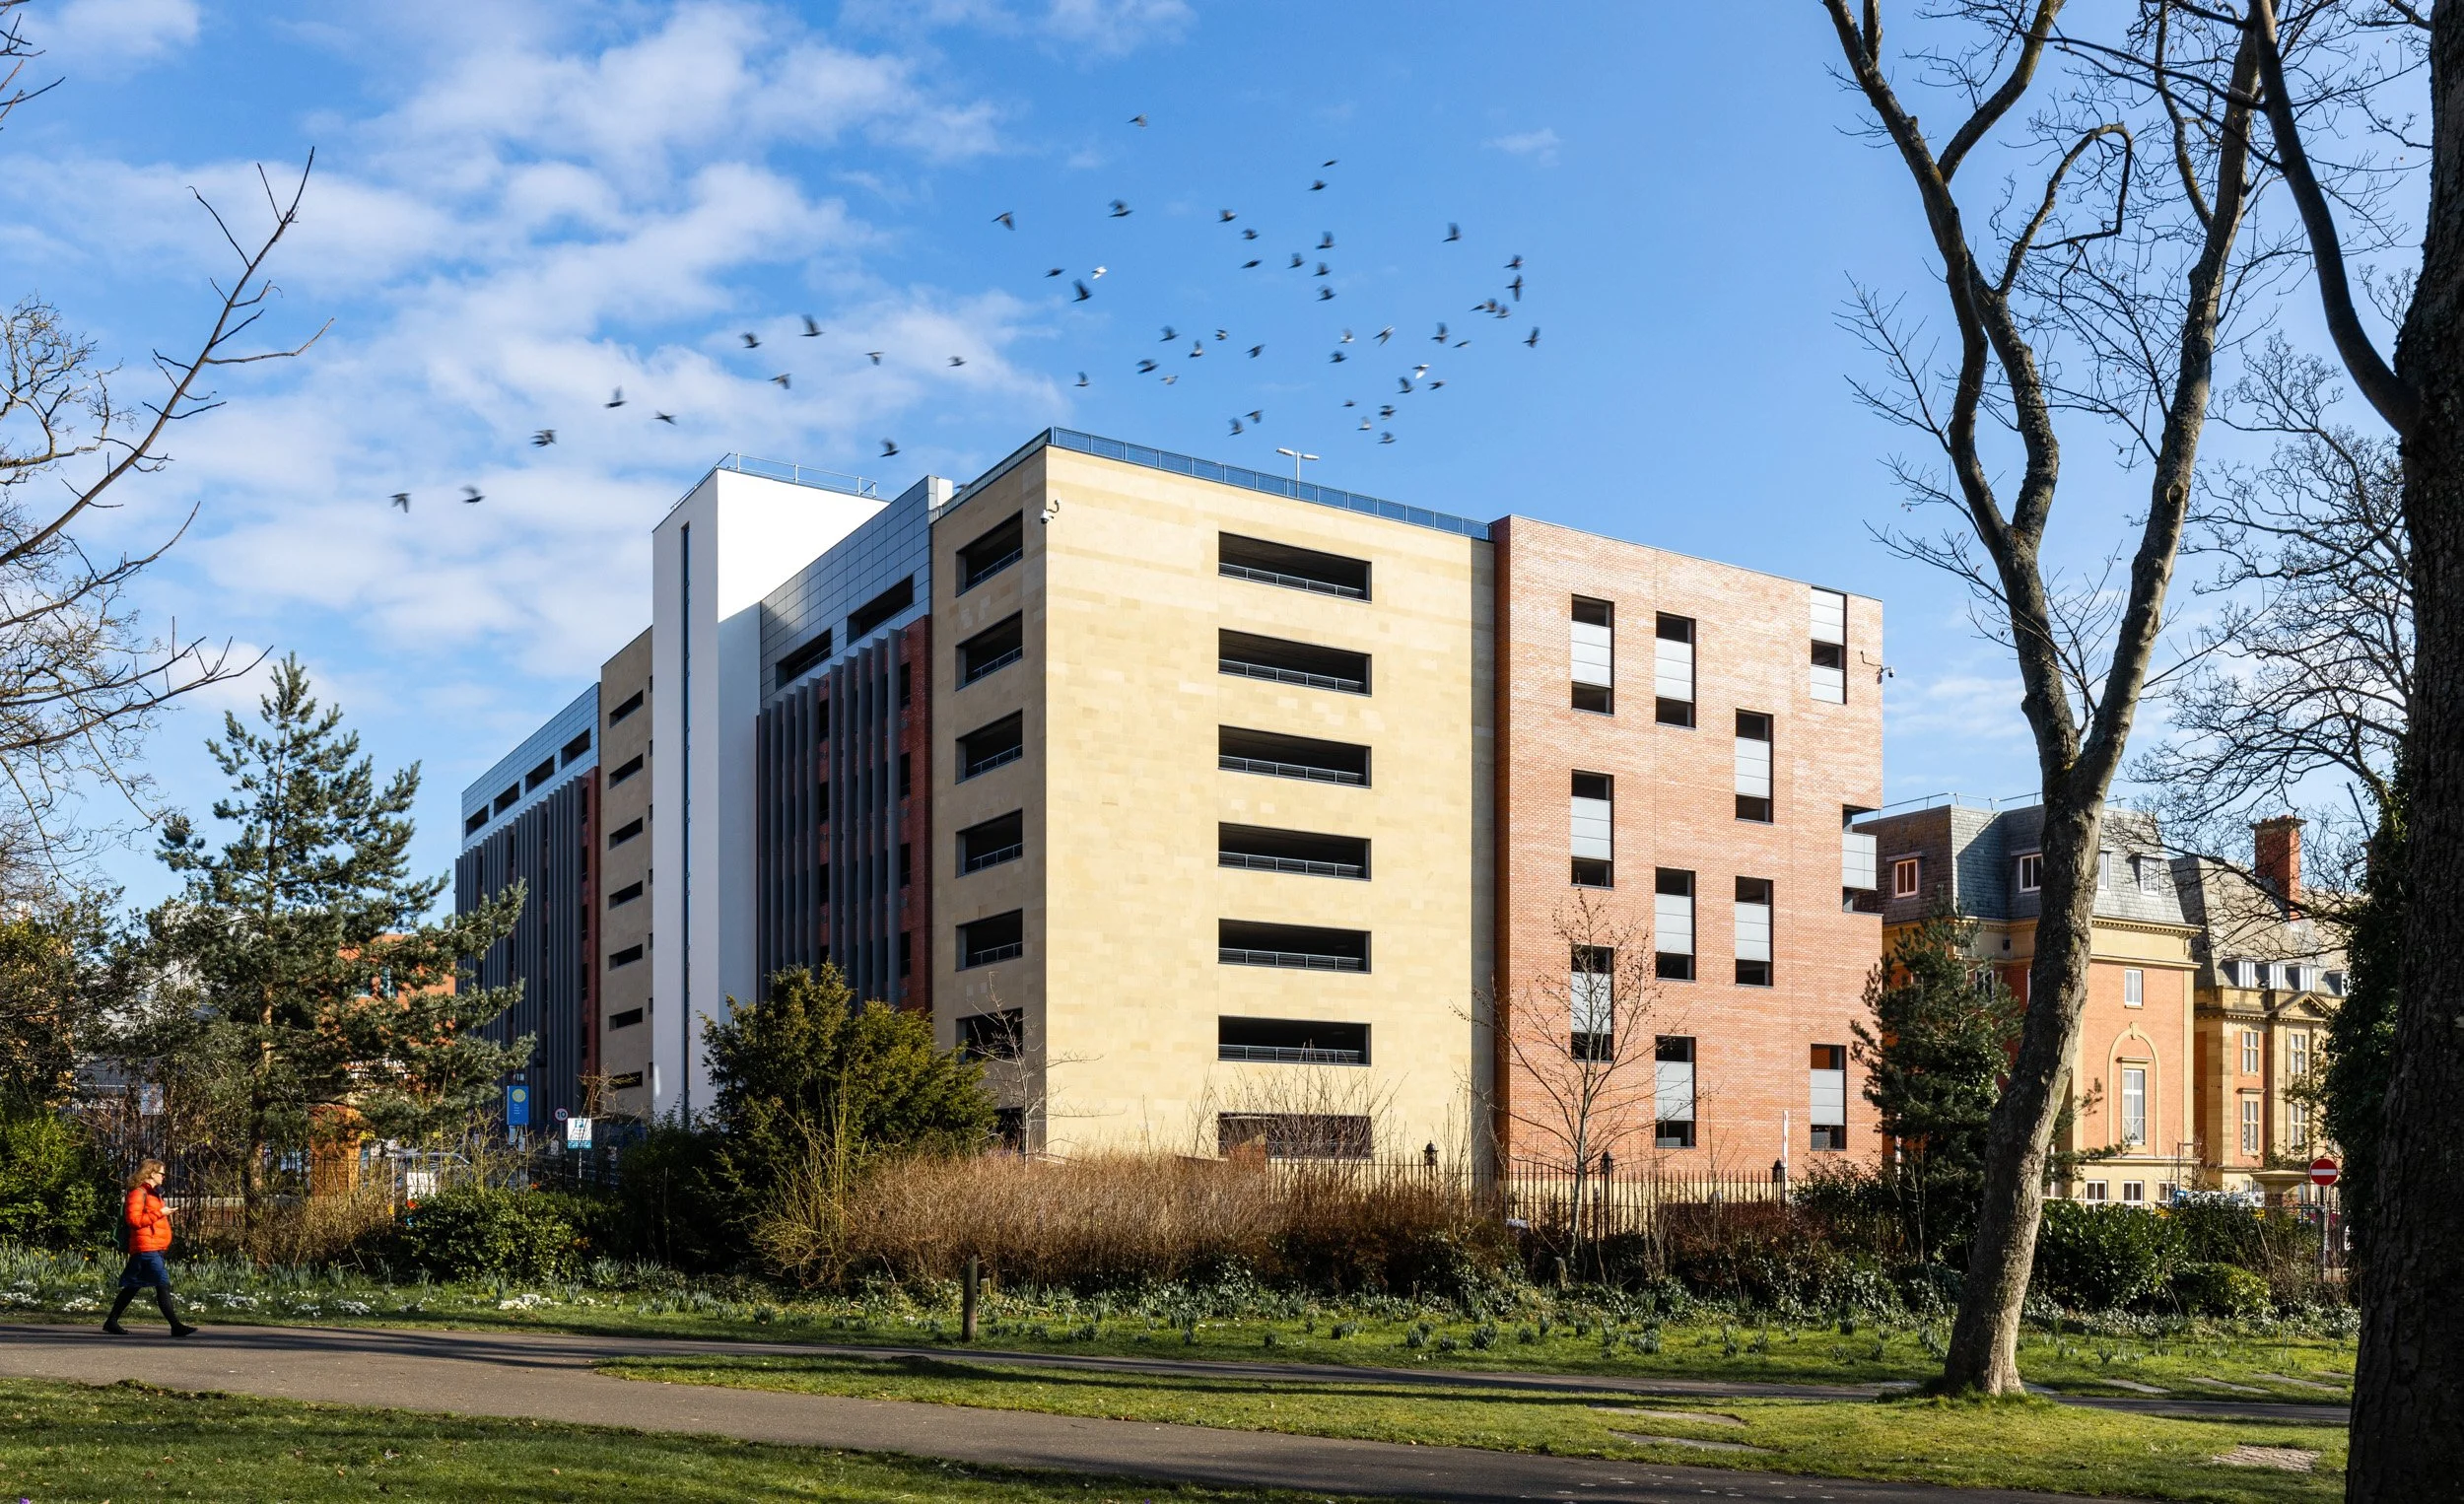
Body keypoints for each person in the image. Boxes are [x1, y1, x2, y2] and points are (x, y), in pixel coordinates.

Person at [104, 1159, 197, 1337]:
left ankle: (111, 1321)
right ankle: (175, 1326)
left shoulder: (154, 1194)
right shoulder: (138, 1194)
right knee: (162, 1283)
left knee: (133, 1285)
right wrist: (159, 1213)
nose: (164, 1177)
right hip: (146, 1247)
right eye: (162, 1173)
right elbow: (134, 1221)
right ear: (151, 1173)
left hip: (153, 1246)